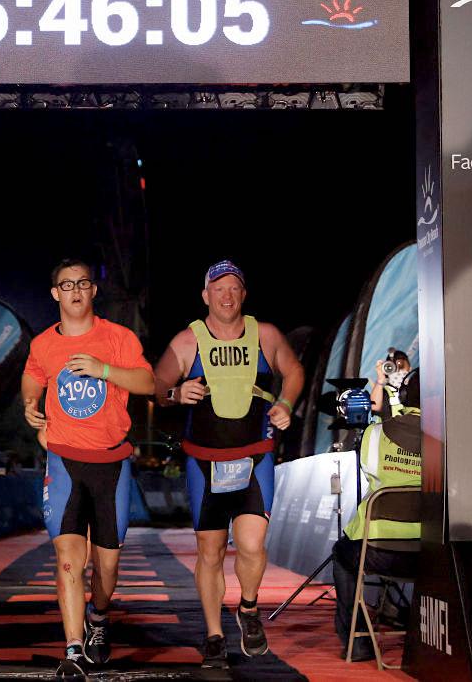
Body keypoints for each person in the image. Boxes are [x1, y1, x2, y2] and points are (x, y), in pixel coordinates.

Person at [154, 260, 304, 669]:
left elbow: (293, 371)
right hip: (204, 463)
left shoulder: (265, 334)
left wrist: (286, 404)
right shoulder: (188, 340)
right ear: (206, 295)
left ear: (244, 295)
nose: (227, 295)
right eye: (219, 288)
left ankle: (249, 610)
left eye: (234, 288)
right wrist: (174, 391)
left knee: (253, 546)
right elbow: (155, 384)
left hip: (255, 457)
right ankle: (214, 634)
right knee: (211, 551)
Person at [21, 258, 154, 680]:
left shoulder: (118, 338)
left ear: (93, 290)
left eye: (82, 283)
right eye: (66, 285)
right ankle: (74, 651)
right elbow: (33, 376)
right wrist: (30, 404)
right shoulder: (43, 344)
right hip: (64, 461)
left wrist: (103, 370)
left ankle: (99, 617)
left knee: (107, 567)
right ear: (55, 293)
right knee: (67, 561)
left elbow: (148, 383)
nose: (75, 291)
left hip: (111, 464)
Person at [332, 368, 422, 661]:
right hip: (432, 555)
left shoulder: (375, 433)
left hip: (377, 551)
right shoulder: (450, 437)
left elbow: (371, 473)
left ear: (404, 395)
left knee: (342, 554)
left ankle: (356, 643)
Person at [370, 348, 412, 419]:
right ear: (386, 370)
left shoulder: (417, 388)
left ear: (410, 368)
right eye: (392, 367)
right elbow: (374, 406)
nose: (399, 371)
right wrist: (380, 379)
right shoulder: (383, 392)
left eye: (402, 365)